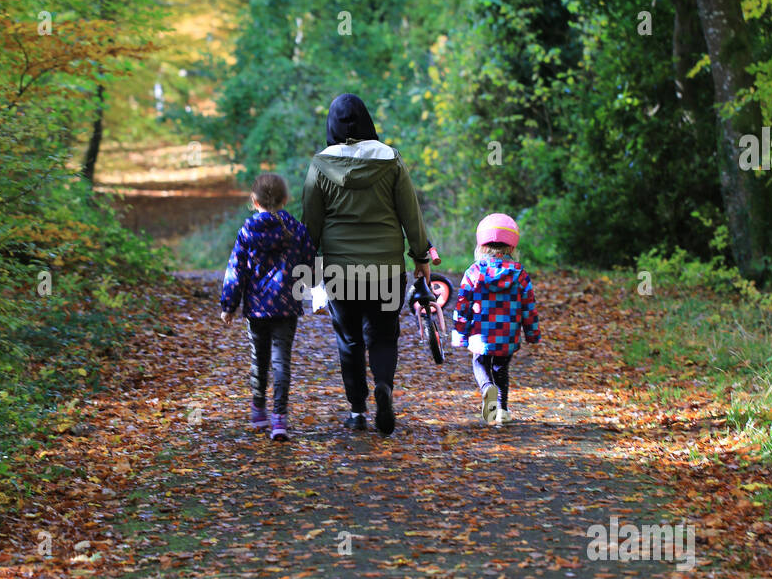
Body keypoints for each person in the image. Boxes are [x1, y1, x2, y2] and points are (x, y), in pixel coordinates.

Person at [302, 93, 431, 435]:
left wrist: (305, 265)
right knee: (385, 334)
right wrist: (421, 256)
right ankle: (384, 387)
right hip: (385, 268)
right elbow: (410, 213)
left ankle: (358, 410)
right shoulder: (390, 159)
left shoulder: (319, 165)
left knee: (349, 338)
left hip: (340, 271)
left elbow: (311, 223)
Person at [220, 172, 316, 441]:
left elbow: (235, 270)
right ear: (286, 199)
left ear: (254, 200)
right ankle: (279, 420)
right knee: (281, 361)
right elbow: (309, 263)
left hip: (257, 309)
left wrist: (229, 304)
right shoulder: (297, 229)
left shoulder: (248, 231)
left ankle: (259, 410)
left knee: (259, 360)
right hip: (286, 307)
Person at [452, 213, 541, 426]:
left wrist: (460, 334)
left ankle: (486, 389)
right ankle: (501, 410)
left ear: (481, 246)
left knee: (480, 362)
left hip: (481, 335)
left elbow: (462, 305)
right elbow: (529, 306)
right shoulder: (519, 274)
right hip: (507, 336)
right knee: (501, 368)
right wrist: (532, 333)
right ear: (512, 248)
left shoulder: (474, 272)